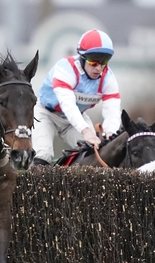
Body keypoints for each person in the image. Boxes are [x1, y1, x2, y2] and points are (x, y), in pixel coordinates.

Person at [32, 29, 122, 165]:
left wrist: (111, 133)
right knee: (44, 155)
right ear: (82, 58)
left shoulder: (108, 78)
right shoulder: (65, 69)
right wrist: (86, 131)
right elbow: (68, 105)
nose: (98, 68)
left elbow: (113, 112)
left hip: (75, 118)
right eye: (93, 62)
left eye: (103, 62)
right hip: (46, 114)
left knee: (95, 152)